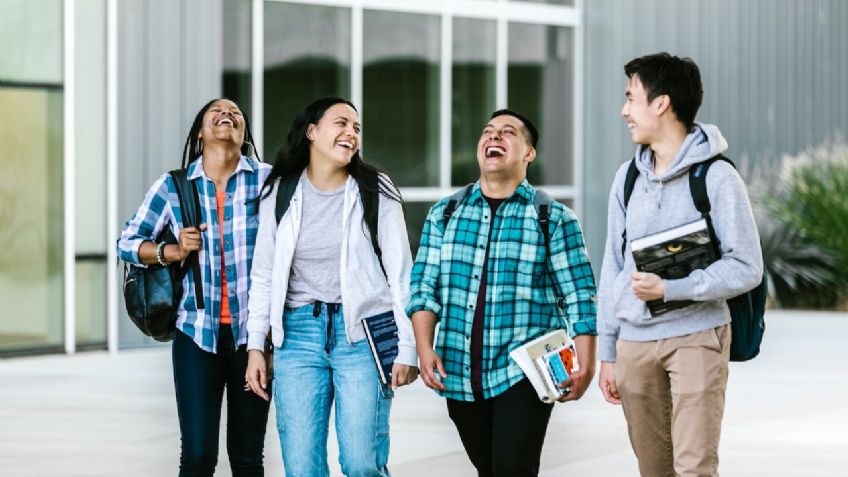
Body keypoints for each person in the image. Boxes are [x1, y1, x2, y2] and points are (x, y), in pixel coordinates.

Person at [596, 52, 763, 476]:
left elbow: (747, 266)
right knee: (653, 469)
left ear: (662, 103)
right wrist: (610, 351)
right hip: (634, 342)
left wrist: (672, 289)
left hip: (696, 337)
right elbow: (613, 266)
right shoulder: (627, 177)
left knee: (694, 468)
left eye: (631, 98)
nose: (624, 111)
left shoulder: (716, 177)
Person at [407, 109, 598, 476]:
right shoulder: (445, 214)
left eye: (508, 132)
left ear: (528, 153)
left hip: (526, 372)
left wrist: (586, 363)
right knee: (489, 469)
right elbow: (423, 287)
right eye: (488, 131)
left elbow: (580, 295)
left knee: (513, 469)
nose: (494, 137)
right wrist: (424, 346)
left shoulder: (554, 218)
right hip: (460, 373)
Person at [244, 97, 418, 476]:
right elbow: (264, 274)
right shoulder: (281, 191)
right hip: (298, 334)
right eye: (341, 123)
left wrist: (408, 347)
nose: (350, 133)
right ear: (312, 132)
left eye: (356, 128)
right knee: (302, 466)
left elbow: (401, 274)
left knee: (361, 463)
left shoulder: (374, 187)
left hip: (363, 334)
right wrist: (256, 345)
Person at [118, 98, 272, 476]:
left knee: (248, 455)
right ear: (201, 133)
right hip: (195, 333)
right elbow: (127, 242)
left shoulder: (268, 180)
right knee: (199, 455)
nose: (228, 115)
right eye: (216, 113)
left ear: (244, 133)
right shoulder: (173, 186)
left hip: (252, 338)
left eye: (236, 114)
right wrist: (172, 250)